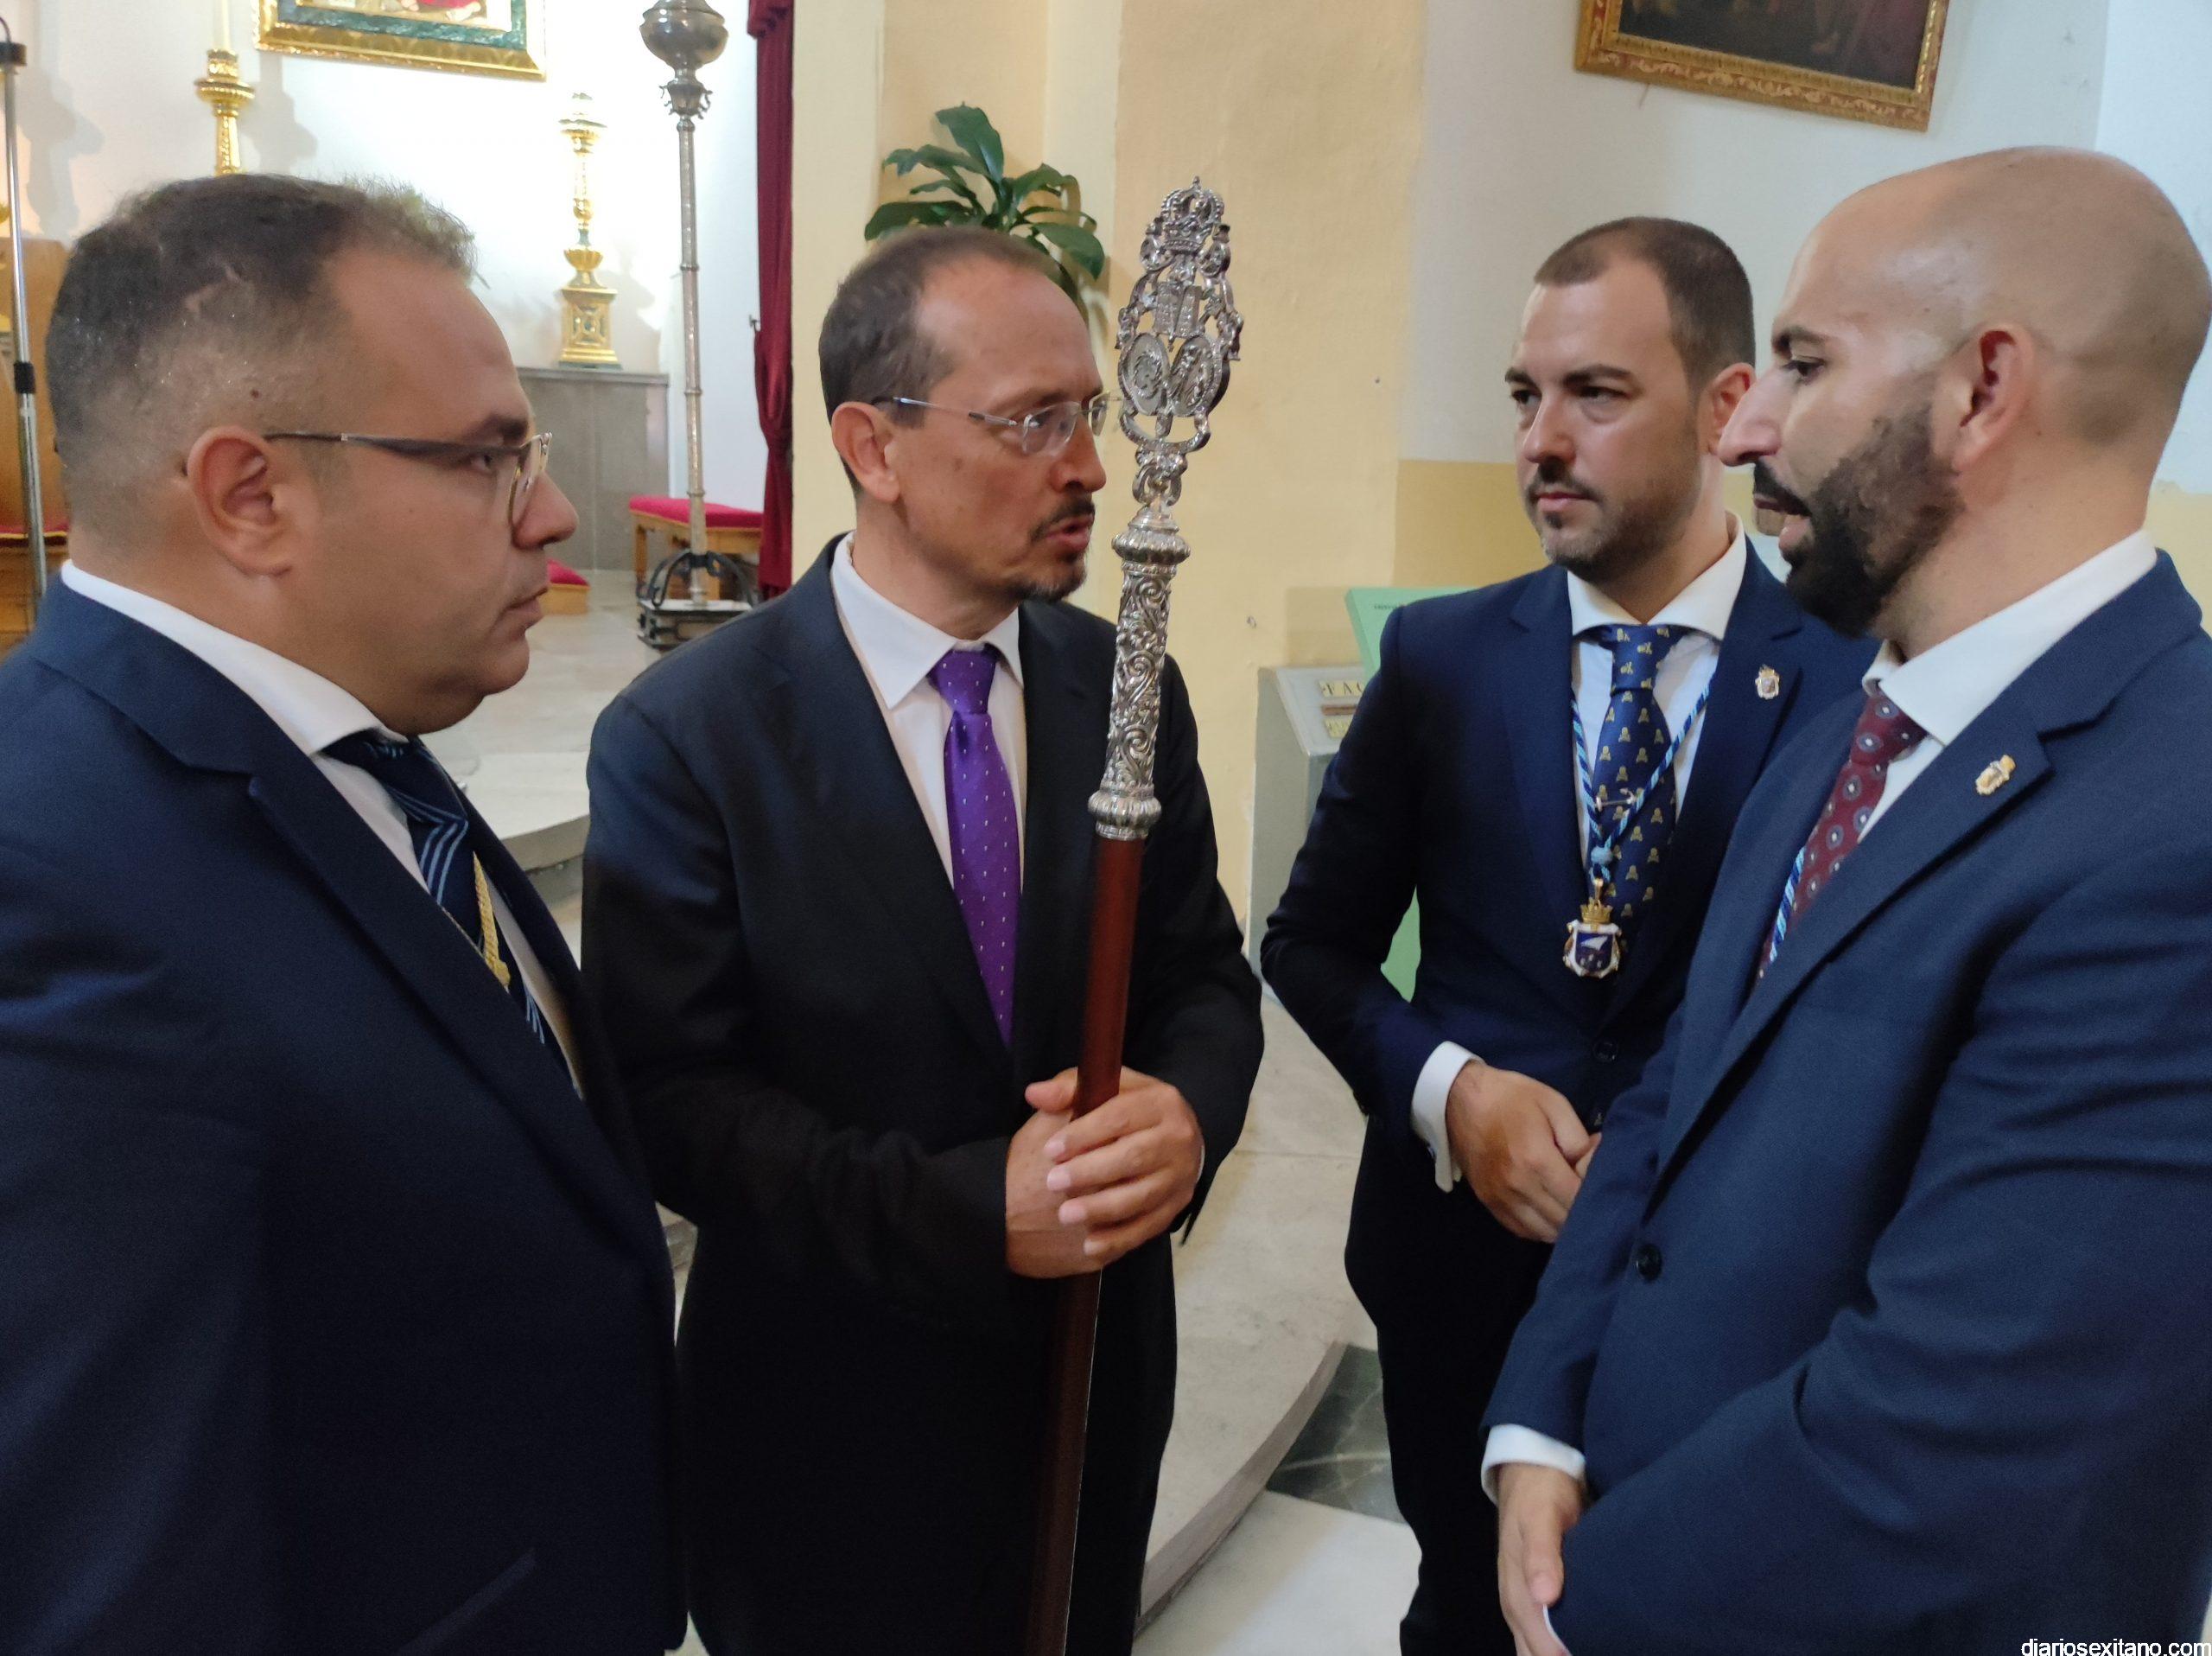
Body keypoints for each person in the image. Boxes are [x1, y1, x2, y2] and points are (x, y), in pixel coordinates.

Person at [1487, 146, 2212, 1654]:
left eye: (1806, 363)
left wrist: (1588, 1607)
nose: (1746, 422)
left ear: (1983, 388)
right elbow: (1682, 1088)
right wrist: (1547, 1422)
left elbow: (1957, 1435)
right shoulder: (1859, 714)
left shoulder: (2177, 824)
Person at [0, 175, 678, 1650]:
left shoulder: (352, 740)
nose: (555, 512)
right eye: (487, 458)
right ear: (252, 497)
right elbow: (115, 1571)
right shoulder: (46, 884)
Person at [583, 226, 1262, 1656]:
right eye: (1033, 422)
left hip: (1088, 1387)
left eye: (1090, 416)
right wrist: (969, 1213)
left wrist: (1186, 1115)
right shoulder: (693, 735)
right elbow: (675, 1102)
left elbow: (1202, 974)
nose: (1089, 468)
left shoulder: (1121, 683)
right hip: (833, 1423)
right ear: (872, 447)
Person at [1262, 218, 1868, 1654]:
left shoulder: (1849, 683)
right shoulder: (1443, 659)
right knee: (1464, 1615)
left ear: (1725, 407)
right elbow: (1311, 943)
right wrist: (1453, 1093)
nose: (1542, 440)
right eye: (1524, 395)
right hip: (1458, 1267)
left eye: (1595, 394)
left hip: (1716, 1295)